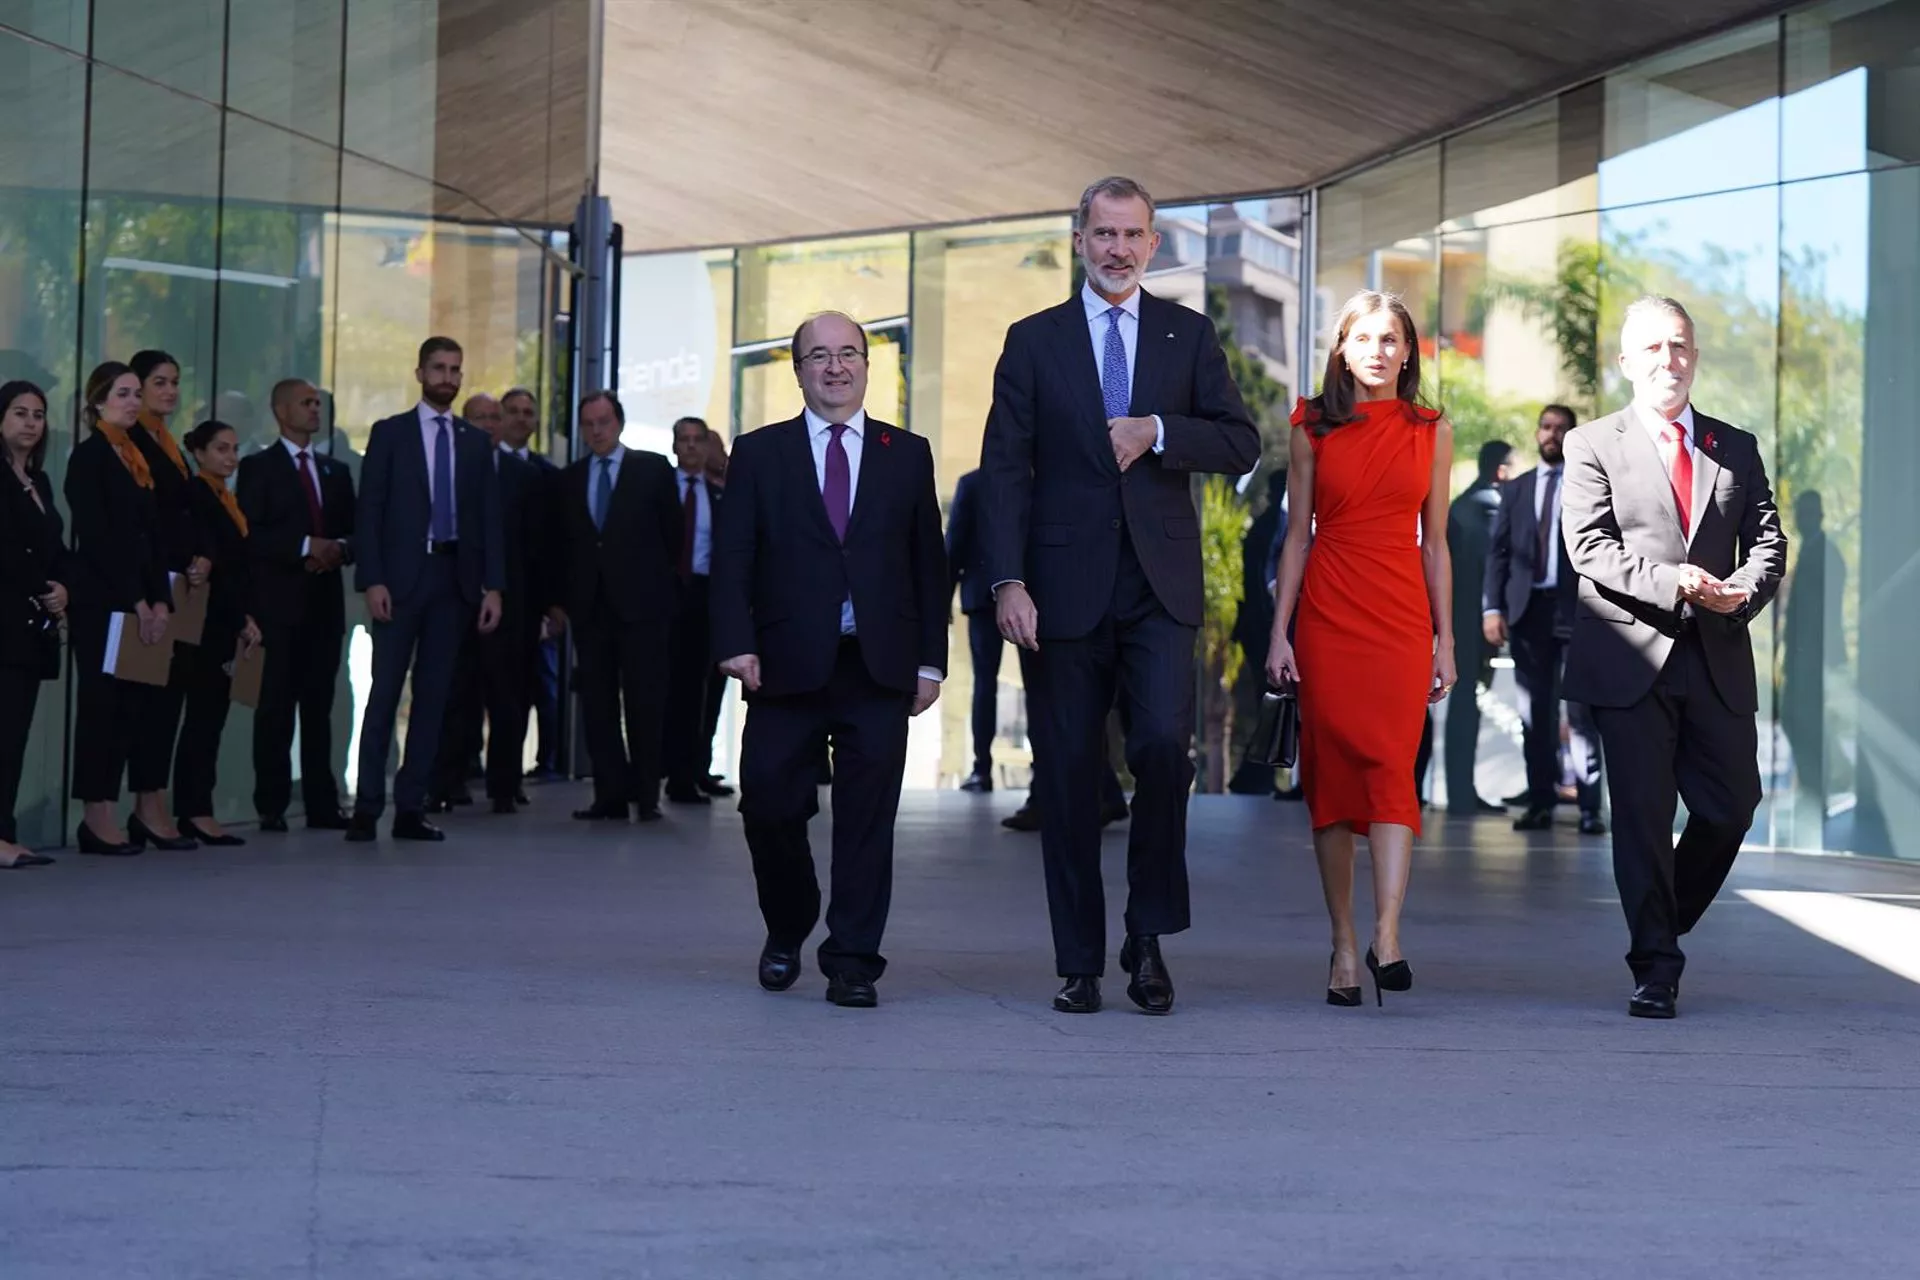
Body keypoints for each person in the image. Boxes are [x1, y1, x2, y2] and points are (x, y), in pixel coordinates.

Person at [982, 176, 1260, 1015]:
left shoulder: (1188, 334)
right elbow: (1004, 472)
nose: (1116, 249)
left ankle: (1148, 936)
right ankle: (1079, 960)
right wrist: (1007, 580)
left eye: (1132, 235)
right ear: (1078, 241)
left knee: (1163, 751)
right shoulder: (1033, 341)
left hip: (1159, 587)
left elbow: (1241, 440)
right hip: (1059, 593)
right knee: (1068, 775)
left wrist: (1159, 432)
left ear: (1154, 245)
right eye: (1102, 234)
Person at [712, 311, 948, 1009]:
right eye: (820, 356)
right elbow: (732, 558)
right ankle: (788, 923)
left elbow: (928, 566)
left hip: (877, 666)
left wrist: (930, 663)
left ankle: (852, 960)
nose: (836, 367)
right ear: (799, 369)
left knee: (867, 820)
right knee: (767, 803)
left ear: (868, 367)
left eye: (849, 354)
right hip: (783, 664)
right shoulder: (760, 453)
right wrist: (735, 639)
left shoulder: (907, 453)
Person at [1560, 295, 1786, 1020]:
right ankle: (1656, 963)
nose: (1670, 360)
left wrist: (1740, 593)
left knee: (1732, 807)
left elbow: (1769, 545)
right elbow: (1587, 546)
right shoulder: (1592, 443)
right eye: (1654, 348)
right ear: (1627, 362)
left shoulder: (1735, 447)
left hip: (1716, 654)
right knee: (1643, 818)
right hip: (1630, 655)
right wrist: (1673, 583)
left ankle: (1662, 914)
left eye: (1681, 346)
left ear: (1695, 356)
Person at [1268, 290, 1456, 1008]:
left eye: (1392, 339)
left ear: (1408, 352)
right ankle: (1344, 942)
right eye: (1365, 338)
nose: (1379, 351)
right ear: (1342, 349)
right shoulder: (1310, 426)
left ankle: (1387, 934)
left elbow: (1436, 544)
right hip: (1329, 611)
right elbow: (1296, 537)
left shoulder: (1432, 431)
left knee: (1391, 770)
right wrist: (1279, 632)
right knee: (1334, 777)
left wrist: (1446, 644)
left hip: (1402, 618)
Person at [348, 337, 505, 843]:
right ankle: (367, 806)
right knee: (384, 693)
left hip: (454, 581)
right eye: (438, 368)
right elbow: (369, 511)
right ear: (420, 373)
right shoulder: (390, 434)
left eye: (456, 370)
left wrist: (493, 587)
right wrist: (372, 578)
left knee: (433, 699)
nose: (448, 378)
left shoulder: (476, 442)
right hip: (399, 581)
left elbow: (489, 521)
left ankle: (411, 806)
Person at [549, 390, 680, 823]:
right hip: (591, 609)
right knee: (598, 705)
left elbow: (672, 536)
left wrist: (666, 597)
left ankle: (646, 795)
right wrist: (563, 602)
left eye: (603, 421)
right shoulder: (570, 478)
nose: (596, 431)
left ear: (619, 423)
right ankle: (609, 794)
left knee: (646, 702)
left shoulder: (652, 469)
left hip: (644, 608)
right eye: (588, 424)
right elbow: (565, 546)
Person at [65, 362, 173, 856]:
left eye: (135, 393)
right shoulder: (89, 458)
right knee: (101, 708)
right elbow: (102, 539)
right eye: (123, 393)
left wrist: (159, 601)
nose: (133, 401)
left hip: (139, 600)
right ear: (98, 402)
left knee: (132, 707)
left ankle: (118, 808)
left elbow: (150, 537)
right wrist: (136, 599)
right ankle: (96, 814)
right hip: (103, 602)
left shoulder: (136, 457)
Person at [237, 379, 355, 832]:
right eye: (306, 403)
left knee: (322, 707)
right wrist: (306, 544)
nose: (315, 410)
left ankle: (323, 802)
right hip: (279, 607)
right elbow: (252, 533)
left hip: (325, 607)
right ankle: (271, 802)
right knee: (276, 706)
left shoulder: (335, 471)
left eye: (318, 404)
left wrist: (339, 548)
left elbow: (356, 531)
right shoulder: (258, 468)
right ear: (281, 410)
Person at [1484, 405, 1604, 834]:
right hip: (1527, 611)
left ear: (1572, 437)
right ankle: (1540, 803)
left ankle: (1590, 809)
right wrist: (1491, 608)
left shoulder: (1589, 487)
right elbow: (1498, 554)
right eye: (1547, 427)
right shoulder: (1516, 490)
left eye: (1561, 429)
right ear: (1538, 434)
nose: (1552, 434)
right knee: (1534, 714)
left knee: (1581, 712)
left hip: (1576, 611)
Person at [432, 392, 541, 815]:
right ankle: (448, 781)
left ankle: (504, 786)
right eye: (480, 417)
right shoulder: (448, 470)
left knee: (509, 698)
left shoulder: (524, 475)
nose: (490, 425)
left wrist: (544, 607)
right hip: (456, 598)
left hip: (513, 606)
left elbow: (537, 548)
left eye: (495, 418)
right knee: (455, 695)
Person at [127, 350, 208, 850]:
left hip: (182, 584)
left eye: (175, 382)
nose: (170, 391)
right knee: (148, 701)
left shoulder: (168, 441)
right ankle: (145, 802)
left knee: (171, 695)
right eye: (159, 382)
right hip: (151, 586)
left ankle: (153, 799)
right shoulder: (132, 441)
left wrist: (203, 555)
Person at [172, 420, 262, 846]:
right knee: (202, 716)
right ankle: (193, 808)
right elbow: (215, 560)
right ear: (200, 453)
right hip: (205, 622)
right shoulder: (196, 495)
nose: (230, 457)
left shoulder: (227, 498)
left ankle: (198, 805)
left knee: (212, 717)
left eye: (234, 448)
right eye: (221, 449)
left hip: (226, 618)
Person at [0, 382, 69, 869]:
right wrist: (44, 585)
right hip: (5, 617)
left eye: (38, 414)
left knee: (15, 731)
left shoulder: (40, 481)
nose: (30, 422)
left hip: (32, 624)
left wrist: (65, 586)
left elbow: (55, 548)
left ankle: (6, 833)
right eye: (19, 412)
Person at [499, 386, 566, 781]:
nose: (522, 418)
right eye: (514, 411)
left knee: (532, 689)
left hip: (531, 601)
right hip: (482, 596)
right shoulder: (480, 466)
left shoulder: (548, 476)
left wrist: (554, 604)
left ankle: (529, 769)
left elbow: (553, 545)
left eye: (528, 412)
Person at [1444, 440, 1513, 814]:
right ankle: (1461, 794)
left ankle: (1460, 791)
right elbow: (1493, 572)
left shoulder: (1459, 507)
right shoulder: (1491, 508)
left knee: (1463, 704)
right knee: (1466, 704)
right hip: (1475, 626)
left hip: (1455, 623)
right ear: (1501, 469)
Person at [662, 415, 726, 805]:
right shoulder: (656, 490)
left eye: (697, 440)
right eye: (683, 440)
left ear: (706, 447)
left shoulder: (720, 497)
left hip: (703, 600)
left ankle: (687, 775)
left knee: (695, 692)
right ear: (674, 446)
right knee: (656, 689)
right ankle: (652, 769)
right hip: (661, 598)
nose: (690, 446)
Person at [1780, 489, 1841, 845]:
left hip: (1812, 659)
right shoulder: (1811, 552)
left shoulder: (1825, 554)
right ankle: (1812, 788)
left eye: (1806, 513)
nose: (1802, 520)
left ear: (1817, 515)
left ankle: (1815, 791)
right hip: (1802, 658)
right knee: (1795, 719)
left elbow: (1822, 615)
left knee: (1804, 722)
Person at [1227, 468, 1288, 795]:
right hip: (1266, 629)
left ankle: (1259, 774)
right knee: (1273, 702)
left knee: (1269, 702)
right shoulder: (1275, 531)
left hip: (1258, 627)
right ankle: (1259, 774)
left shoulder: (1265, 529)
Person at [945, 467, 999, 792]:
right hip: (1015, 596)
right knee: (1036, 686)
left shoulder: (973, 483)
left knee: (985, 684)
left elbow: (955, 544)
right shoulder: (1036, 478)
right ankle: (984, 766)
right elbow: (953, 546)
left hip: (984, 594)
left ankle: (983, 768)